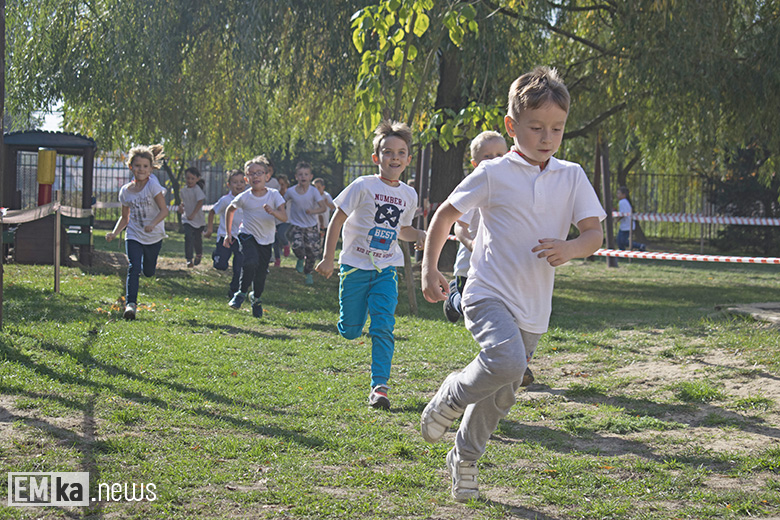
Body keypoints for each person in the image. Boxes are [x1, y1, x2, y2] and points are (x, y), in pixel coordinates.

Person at [420, 67, 606, 502]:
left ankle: (464, 457)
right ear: (511, 125)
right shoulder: (493, 172)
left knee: (502, 395)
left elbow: (594, 234)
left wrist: (571, 248)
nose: (547, 137)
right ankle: (451, 394)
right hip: (487, 292)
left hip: (534, 306)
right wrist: (431, 269)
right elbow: (444, 216)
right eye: (536, 127)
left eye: (556, 129)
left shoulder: (572, 175)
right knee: (507, 364)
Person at [315, 120, 426, 410]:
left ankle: (380, 388)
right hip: (354, 267)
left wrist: (422, 235)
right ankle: (354, 315)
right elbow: (337, 218)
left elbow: (403, 229)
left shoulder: (409, 194)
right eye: (388, 152)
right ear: (377, 158)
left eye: (401, 153)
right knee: (351, 330)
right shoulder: (362, 185)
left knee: (383, 326)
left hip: (386, 270)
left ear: (408, 160)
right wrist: (328, 257)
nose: (395, 158)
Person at [443, 131, 508, 324]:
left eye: (499, 156)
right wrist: (471, 244)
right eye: (487, 157)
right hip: (469, 266)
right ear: (474, 164)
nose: (493, 161)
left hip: (498, 266)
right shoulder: (473, 189)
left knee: (492, 312)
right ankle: (452, 297)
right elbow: (459, 226)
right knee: (469, 309)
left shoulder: (511, 188)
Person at [106, 145, 169, 321]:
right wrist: (114, 233)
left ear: (151, 168)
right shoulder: (125, 191)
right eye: (138, 165)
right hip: (134, 234)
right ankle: (131, 305)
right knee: (134, 267)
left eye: (145, 166)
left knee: (148, 271)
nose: (141, 169)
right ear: (130, 167)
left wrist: (152, 224)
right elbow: (124, 218)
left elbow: (164, 211)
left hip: (154, 236)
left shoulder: (153, 186)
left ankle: (147, 268)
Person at [224, 156, 287, 318]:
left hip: (266, 240)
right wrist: (228, 234)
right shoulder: (245, 196)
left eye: (259, 172)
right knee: (250, 262)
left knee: (260, 273)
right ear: (246, 179)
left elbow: (284, 217)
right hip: (247, 235)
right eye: (251, 173)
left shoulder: (274, 195)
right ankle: (241, 293)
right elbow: (230, 210)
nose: (255, 176)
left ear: (267, 176)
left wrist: (273, 212)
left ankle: (256, 299)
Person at [205, 169, 247, 298]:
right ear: (228, 185)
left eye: (241, 182)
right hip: (225, 236)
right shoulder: (225, 200)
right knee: (221, 265)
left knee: (239, 267)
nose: (238, 185)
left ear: (246, 183)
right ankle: (217, 255)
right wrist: (210, 229)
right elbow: (212, 212)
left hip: (240, 237)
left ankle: (234, 290)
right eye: (235, 182)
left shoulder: (247, 198)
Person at [285, 161, 327, 284]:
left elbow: (323, 208)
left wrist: (313, 211)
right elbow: (281, 203)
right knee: (298, 246)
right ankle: (299, 258)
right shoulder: (291, 191)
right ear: (296, 177)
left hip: (311, 226)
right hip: (296, 225)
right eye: (301, 174)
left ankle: (308, 272)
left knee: (313, 252)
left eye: (306, 174)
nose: (303, 177)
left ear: (311, 177)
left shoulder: (313, 191)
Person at [178, 166, 206, 267]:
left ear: (197, 179)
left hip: (198, 220)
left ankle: (198, 254)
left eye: (192, 178)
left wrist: (193, 214)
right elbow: (184, 202)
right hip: (187, 219)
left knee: (197, 239)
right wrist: (181, 207)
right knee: (188, 237)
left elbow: (200, 202)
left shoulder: (197, 190)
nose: (189, 180)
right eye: (188, 178)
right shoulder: (183, 190)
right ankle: (189, 259)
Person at [616, 186, 646, 251]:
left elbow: (623, 214)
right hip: (627, 225)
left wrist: (617, 220)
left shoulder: (622, 202)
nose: (617, 195)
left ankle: (640, 246)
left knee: (622, 241)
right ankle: (622, 252)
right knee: (620, 240)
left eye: (619, 193)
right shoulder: (625, 201)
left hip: (626, 225)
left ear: (624, 195)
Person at [272, 173, 292, 266]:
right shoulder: (274, 195)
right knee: (275, 240)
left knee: (281, 233)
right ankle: (277, 259)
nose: (281, 187)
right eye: (279, 185)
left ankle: (286, 244)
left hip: (286, 220)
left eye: (282, 184)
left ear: (286, 184)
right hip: (275, 220)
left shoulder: (289, 194)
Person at [313, 177, 336, 252]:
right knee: (315, 237)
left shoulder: (326, 196)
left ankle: (322, 251)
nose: (317, 189)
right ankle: (315, 250)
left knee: (324, 237)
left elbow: (333, 206)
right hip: (315, 220)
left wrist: (326, 203)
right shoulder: (313, 196)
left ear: (323, 187)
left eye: (318, 187)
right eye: (315, 187)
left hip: (325, 220)